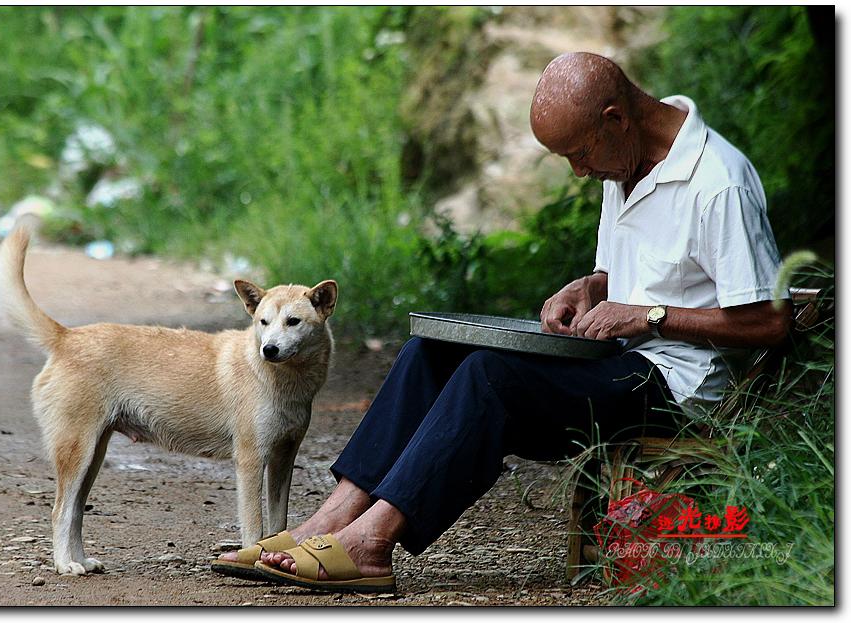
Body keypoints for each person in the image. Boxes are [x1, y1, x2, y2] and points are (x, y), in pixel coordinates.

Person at [213, 51, 792, 593]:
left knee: (488, 376)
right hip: (616, 361)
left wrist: (651, 315)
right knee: (432, 352)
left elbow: (769, 323)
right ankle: (329, 519)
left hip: (678, 388)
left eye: (578, 154)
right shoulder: (626, 163)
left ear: (616, 120)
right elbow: (636, 275)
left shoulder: (718, 182)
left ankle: (371, 543)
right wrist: (591, 286)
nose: (577, 171)